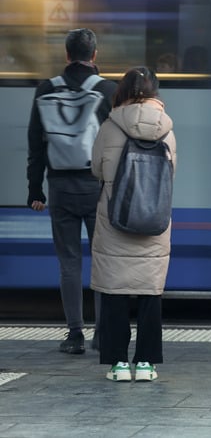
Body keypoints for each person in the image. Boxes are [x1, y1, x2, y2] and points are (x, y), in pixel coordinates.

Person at [27, 28, 118, 354]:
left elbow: (36, 144)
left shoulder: (46, 89)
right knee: (103, 261)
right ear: (94, 55)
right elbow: (117, 143)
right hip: (97, 187)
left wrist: (35, 190)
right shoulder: (107, 90)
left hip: (60, 186)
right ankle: (103, 334)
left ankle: (75, 334)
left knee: (69, 262)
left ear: (67, 55)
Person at [90, 67, 176, 382]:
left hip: (115, 219)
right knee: (150, 294)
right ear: (155, 93)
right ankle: (146, 364)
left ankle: (118, 365)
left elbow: (97, 169)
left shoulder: (110, 126)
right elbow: (171, 173)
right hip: (154, 218)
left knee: (114, 293)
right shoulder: (167, 130)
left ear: (122, 91)